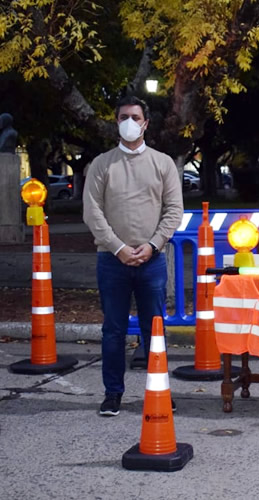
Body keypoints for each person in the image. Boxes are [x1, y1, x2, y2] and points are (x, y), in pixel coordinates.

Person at [83, 95, 183, 417]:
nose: (129, 122)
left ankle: (160, 391)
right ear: (117, 122)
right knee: (113, 330)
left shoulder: (163, 163)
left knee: (153, 330)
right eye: (123, 116)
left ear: (145, 123)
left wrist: (152, 245)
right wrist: (119, 247)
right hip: (112, 261)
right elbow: (92, 212)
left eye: (135, 116)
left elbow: (174, 211)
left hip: (152, 262)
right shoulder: (102, 164)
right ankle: (113, 393)